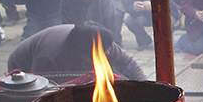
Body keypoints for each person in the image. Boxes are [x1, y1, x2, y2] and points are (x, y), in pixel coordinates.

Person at [7, 23, 145, 81]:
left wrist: (144, 85)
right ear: (82, 54)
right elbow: (40, 86)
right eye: (102, 54)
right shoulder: (50, 57)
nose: (108, 54)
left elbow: (129, 64)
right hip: (24, 67)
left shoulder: (100, 41)